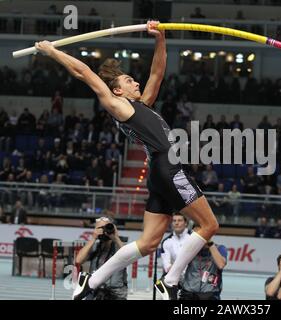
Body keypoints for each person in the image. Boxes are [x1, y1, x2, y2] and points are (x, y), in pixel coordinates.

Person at [35, 21, 219, 301]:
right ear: (117, 91)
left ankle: (91, 280)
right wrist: (52, 51)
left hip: (160, 173)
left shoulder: (141, 105)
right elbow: (83, 72)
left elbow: (157, 71)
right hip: (168, 168)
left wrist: (161, 38)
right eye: (128, 80)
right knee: (209, 226)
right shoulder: (118, 106)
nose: (136, 82)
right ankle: (170, 281)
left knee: (148, 243)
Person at [75, 217, 127, 300]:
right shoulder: (94, 246)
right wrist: (93, 238)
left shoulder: (119, 246)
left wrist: (116, 237)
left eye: (107, 227)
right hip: (94, 291)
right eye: (100, 228)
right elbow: (78, 260)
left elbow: (128, 255)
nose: (104, 231)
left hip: (115, 293)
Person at [179, 223, 227, 300]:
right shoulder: (189, 248)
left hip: (209, 295)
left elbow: (221, 264)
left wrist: (210, 243)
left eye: (202, 233)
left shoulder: (220, 248)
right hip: (189, 293)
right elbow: (179, 266)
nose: (199, 237)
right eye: (196, 234)